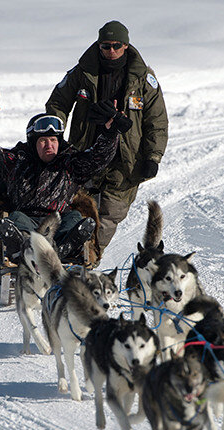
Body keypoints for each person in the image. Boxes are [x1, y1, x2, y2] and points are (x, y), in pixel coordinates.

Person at [45, 20, 168, 261]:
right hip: (86, 153)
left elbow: (157, 121)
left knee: (111, 214)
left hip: (125, 160)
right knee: (77, 210)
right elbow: (57, 103)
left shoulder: (143, 79)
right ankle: (62, 258)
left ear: (126, 46)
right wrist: (55, 134)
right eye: (105, 46)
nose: (111, 51)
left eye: (116, 46)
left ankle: (86, 261)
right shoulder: (82, 73)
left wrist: (153, 157)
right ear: (99, 46)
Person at [0, 91, 131, 263]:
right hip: (27, 220)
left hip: (59, 222)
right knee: (15, 217)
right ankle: (27, 246)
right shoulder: (16, 162)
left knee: (75, 218)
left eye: (54, 140)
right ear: (33, 142)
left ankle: (63, 248)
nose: (49, 145)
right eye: (43, 141)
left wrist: (110, 133)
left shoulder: (71, 163)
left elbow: (99, 157)